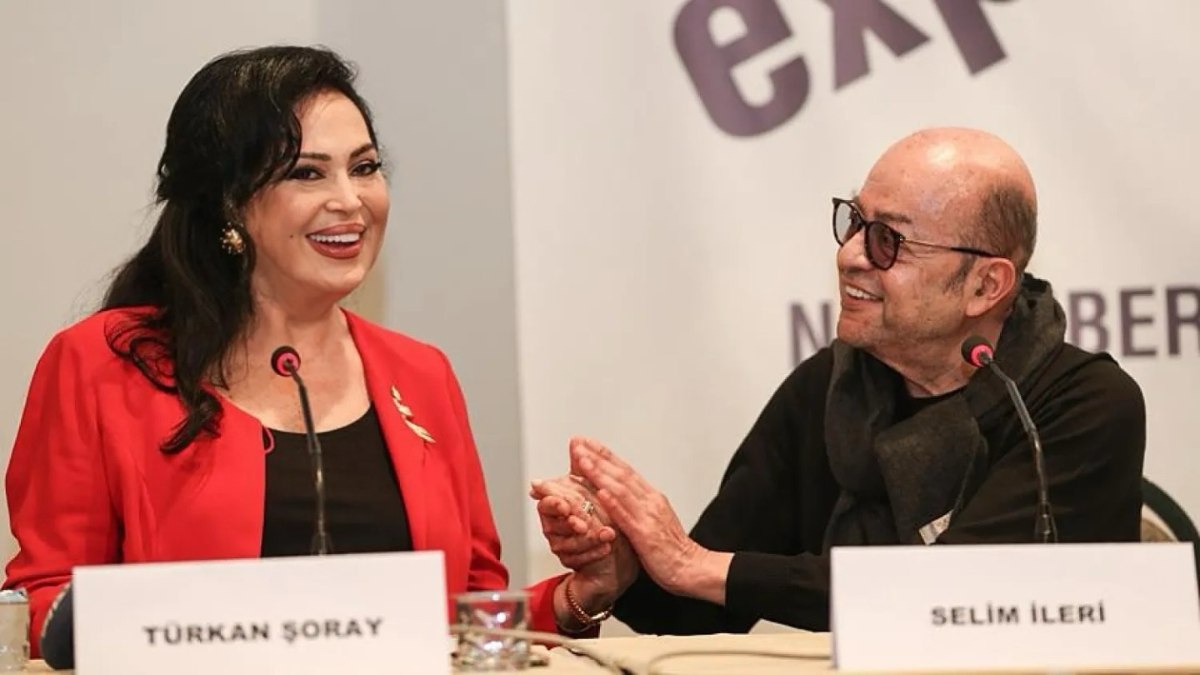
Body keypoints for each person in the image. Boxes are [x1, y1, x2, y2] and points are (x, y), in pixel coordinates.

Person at [3, 46, 616, 662]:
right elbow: (44, 604)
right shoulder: (103, 362)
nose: (350, 200)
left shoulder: (422, 373)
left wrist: (577, 596)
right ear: (227, 201)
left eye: (365, 167)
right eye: (307, 173)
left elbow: (469, 616)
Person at [531, 127, 1147, 635]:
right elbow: (698, 606)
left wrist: (695, 566)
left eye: (889, 241)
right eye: (855, 222)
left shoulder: (1081, 406)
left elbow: (955, 602)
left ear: (985, 286)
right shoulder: (830, 388)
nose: (850, 255)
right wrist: (623, 569)